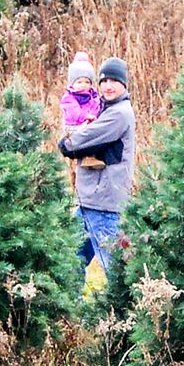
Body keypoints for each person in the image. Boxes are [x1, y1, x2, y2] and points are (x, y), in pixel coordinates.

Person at [58, 56, 135, 274]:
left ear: (124, 84)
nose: (108, 86)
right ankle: (73, 306)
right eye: (103, 81)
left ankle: (121, 307)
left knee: (113, 268)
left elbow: (77, 143)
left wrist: (66, 143)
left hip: (104, 205)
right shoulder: (104, 109)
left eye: (114, 81)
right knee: (72, 260)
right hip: (89, 202)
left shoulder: (118, 114)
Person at [59, 51, 105, 171]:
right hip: (73, 126)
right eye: (79, 82)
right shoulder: (69, 97)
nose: (83, 85)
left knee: (97, 131)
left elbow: (96, 107)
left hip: (86, 122)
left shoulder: (93, 96)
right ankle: (87, 157)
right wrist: (87, 117)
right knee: (87, 133)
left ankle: (93, 156)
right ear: (72, 83)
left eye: (87, 82)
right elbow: (74, 114)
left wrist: (94, 117)